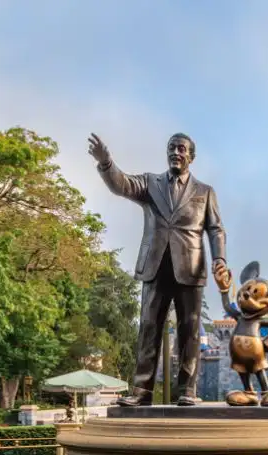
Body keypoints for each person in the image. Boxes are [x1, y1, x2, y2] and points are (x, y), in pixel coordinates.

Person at [88, 133, 228, 407]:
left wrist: (219, 259)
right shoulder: (151, 183)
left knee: (189, 330)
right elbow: (122, 185)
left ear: (191, 156)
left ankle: (187, 390)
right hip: (155, 266)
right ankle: (142, 392)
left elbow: (215, 228)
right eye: (172, 148)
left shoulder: (205, 191)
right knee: (149, 328)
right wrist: (106, 163)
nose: (176, 152)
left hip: (190, 267)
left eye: (182, 149)